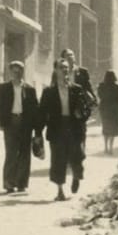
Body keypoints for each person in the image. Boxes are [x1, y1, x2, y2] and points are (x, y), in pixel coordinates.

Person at [36, 58, 89, 202]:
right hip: (57, 128)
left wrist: (81, 115)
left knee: (77, 156)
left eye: (66, 67)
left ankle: (77, 176)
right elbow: (42, 113)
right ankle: (60, 191)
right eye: (61, 67)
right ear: (55, 70)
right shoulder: (49, 92)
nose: (65, 70)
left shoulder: (76, 89)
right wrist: (38, 133)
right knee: (58, 160)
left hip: (74, 128)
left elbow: (87, 109)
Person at [0, 61, 39, 193]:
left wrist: (35, 127)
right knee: (11, 153)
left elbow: (35, 109)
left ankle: (21, 183)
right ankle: (9, 182)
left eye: (19, 71)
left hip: (25, 123)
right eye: (14, 71)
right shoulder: (4, 88)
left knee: (24, 153)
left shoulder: (30, 89)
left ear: (23, 72)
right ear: (10, 72)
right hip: (11, 122)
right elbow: (0, 106)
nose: (17, 73)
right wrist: (3, 123)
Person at [97, 71, 118, 155]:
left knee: (105, 128)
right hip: (113, 111)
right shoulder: (117, 88)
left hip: (104, 110)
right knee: (112, 129)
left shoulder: (101, 87)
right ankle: (111, 148)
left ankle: (105, 147)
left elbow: (100, 97)